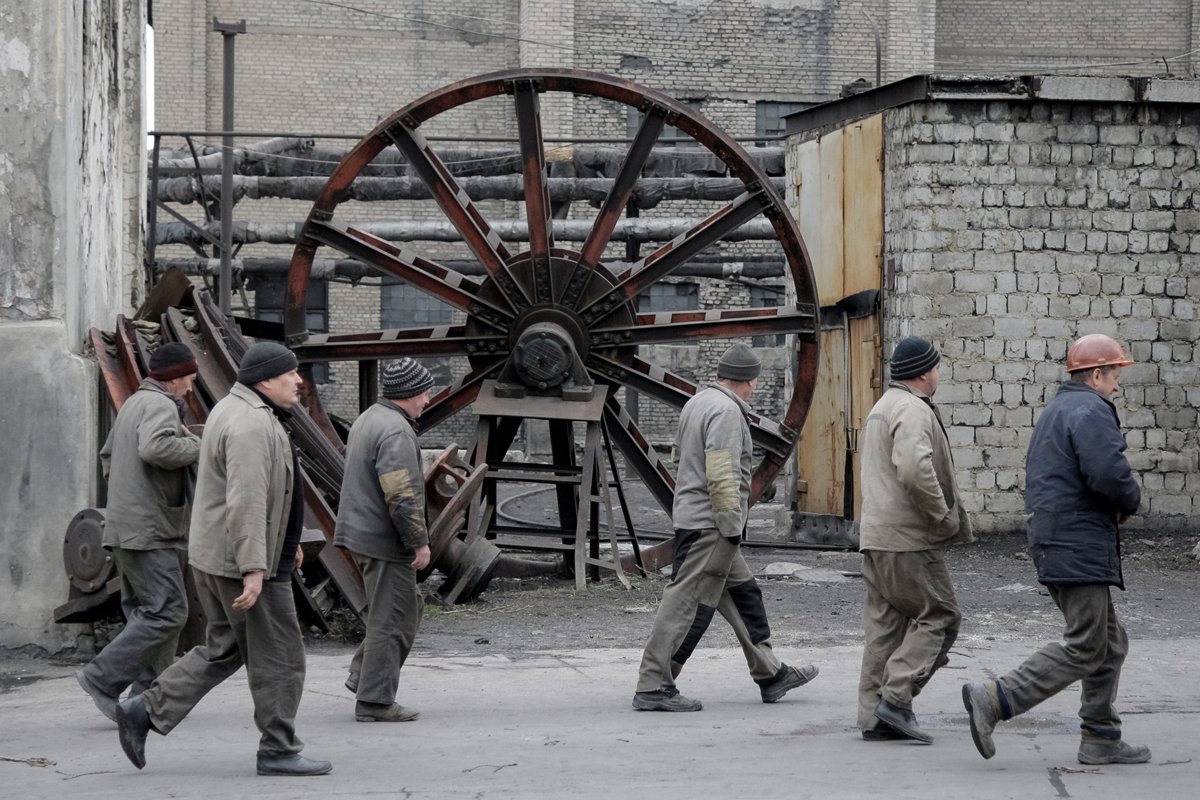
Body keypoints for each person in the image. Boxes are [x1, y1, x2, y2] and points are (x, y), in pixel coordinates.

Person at [114, 341, 332, 777]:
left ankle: (145, 710)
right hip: (243, 562)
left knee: (223, 649)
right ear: (266, 380)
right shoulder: (250, 424)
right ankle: (278, 749)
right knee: (280, 658)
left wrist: (288, 543)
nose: (299, 381)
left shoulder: (238, 409)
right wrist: (254, 568)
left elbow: (270, 493)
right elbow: (246, 500)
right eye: (291, 373)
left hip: (222, 555)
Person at [963, 333, 1149, 765]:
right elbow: (1108, 473)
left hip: (1058, 539)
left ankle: (1101, 737)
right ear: (1096, 375)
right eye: (1115, 375)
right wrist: (1130, 502)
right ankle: (997, 698)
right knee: (1087, 644)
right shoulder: (1090, 409)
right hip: (1076, 542)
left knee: (1110, 642)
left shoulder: (1058, 410)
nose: (1117, 385)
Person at [633, 343, 819, 712]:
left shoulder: (698, 402)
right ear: (749, 381)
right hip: (711, 526)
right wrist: (732, 526)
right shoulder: (727, 412)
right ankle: (653, 684)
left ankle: (771, 673)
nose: (754, 388)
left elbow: (688, 459)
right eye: (754, 382)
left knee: (743, 595)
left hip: (697, 518)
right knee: (686, 602)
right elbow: (720, 474)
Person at [857, 336, 973, 743]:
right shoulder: (912, 408)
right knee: (941, 615)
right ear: (924, 372)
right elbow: (912, 467)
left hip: (876, 537)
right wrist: (940, 513)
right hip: (908, 539)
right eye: (937, 367)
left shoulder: (882, 406)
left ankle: (874, 716)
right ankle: (896, 700)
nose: (939, 374)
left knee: (886, 627)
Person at [76, 343, 201, 722]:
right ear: (175, 377)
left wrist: (130, 496)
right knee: (168, 612)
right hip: (151, 530)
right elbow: (156, 448)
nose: (191, 388)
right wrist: (199, 445)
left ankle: (146, 698)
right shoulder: (160, 405)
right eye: (190, 379)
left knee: (147, 613)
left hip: (125, 526)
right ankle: (101, 678)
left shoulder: (133, 403)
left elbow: (108, 457)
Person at [336, 357, 433, 722]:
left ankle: (363, 673)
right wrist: (418, 541)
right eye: (424, 392)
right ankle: (375, 701)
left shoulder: (369, 418)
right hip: (383, 539)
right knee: (393, 620)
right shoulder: (395, 431)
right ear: (409, 392)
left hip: (362, 534)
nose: (427, 400)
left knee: (404, 609)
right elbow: (402, 494)